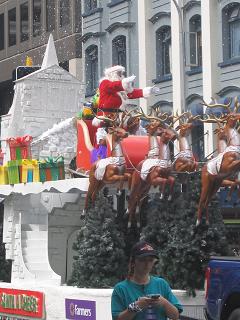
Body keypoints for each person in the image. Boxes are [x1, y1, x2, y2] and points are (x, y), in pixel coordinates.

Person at [111, 241, 183, 320]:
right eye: (142, 260)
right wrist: (136, 306)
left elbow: (175, 316)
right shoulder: (121, 288)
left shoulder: (161, 284)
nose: (147, 264)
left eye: (150, 260)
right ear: (133, 261)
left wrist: (164, 303)